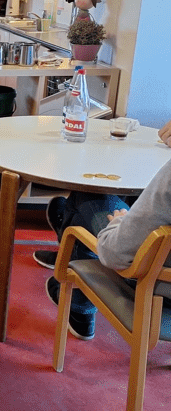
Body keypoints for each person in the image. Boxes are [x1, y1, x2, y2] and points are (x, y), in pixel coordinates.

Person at [40, 119, 171, 340]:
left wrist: (119, 222)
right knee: (132, 198)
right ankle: (67, 251)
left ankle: (79, 302)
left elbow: (114, 253)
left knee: (90, 193)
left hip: (154, 287)